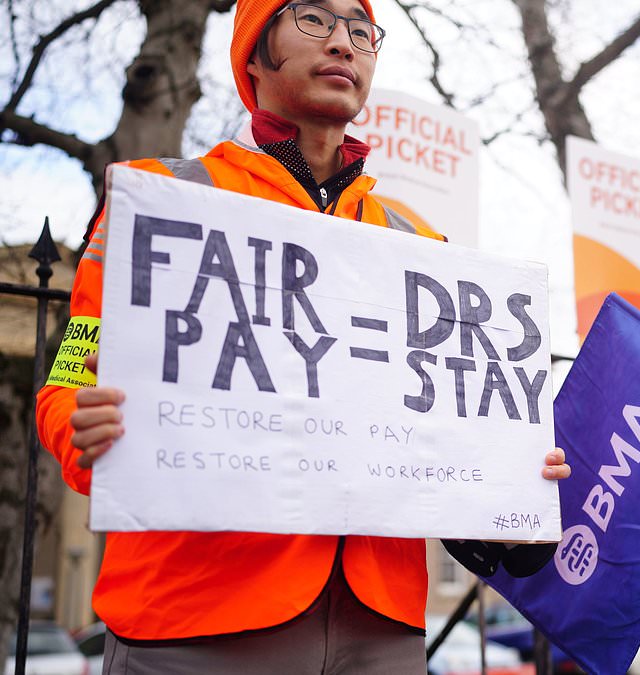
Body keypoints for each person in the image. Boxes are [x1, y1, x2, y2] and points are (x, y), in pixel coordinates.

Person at [35, 1, 569, 672]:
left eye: (361, 29)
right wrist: (80, 429)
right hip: (193, 618)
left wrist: (509, 469)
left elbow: (443, 435)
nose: (344, 43)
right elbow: (66, 383)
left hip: (384, 626)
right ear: (252, 54)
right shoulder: (158, 198)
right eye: (314, 19)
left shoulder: (419, 242)